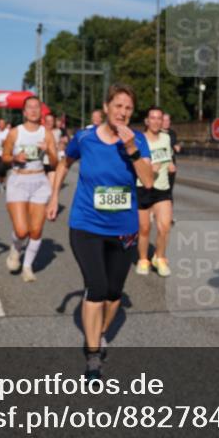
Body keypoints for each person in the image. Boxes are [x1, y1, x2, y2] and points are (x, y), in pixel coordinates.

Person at [48, 84, 154, 381]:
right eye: (118, 105)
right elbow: (64, 163)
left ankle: (100, 332)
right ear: (106, 107)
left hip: (123, 229)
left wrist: (132, 149)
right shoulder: (85, 138)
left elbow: (148, 181)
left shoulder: (138, 140)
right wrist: (54, 196)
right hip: (87, 225)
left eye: (129, 108)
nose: (123, 112)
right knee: (95, 287)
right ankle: (93, 355)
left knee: (113, 292)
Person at [3, 97, 58, 282]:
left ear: (41, 111)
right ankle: (15, 249)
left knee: (35, 230)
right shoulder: (14, 133)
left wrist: (48, 150)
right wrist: (14, 158)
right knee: (21, 231)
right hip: (18, 180)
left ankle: (27, 267)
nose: (33, 110)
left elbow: (55, 162)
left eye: (37, 107)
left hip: (39, 181)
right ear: (24, 112)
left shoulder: (47, 133)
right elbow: (4, 156)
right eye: (29, 108)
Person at [135, 107, 175, 277]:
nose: (156, 121)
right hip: (142, 187)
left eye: (159, 118)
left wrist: (170, 164)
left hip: (162, 188)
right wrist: (149, 169)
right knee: (144, 228)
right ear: (147, 121)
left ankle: (160, 257)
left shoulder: (166, 138)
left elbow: (167, 156)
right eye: (153, 118)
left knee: (164, 226)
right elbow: (135, 164)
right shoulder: (140, 140)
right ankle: (143, 259)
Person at [42, 112, 62, 186]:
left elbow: (55, 145)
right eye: (47, 121)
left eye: (51, 121)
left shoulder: (57, 132)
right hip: (42, 162)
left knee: (51, 186)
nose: (49, 123)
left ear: (54, 122)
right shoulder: (40, 131)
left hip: (53, 161)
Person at [162, 112, 180, 191]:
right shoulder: (155, 133)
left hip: (171, 164)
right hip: (160, 165)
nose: (166, 122)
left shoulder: (172, 133)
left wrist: (177, 147)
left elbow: (175, 145)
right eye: (164, 120)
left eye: (168, 120)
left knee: (169, 189)